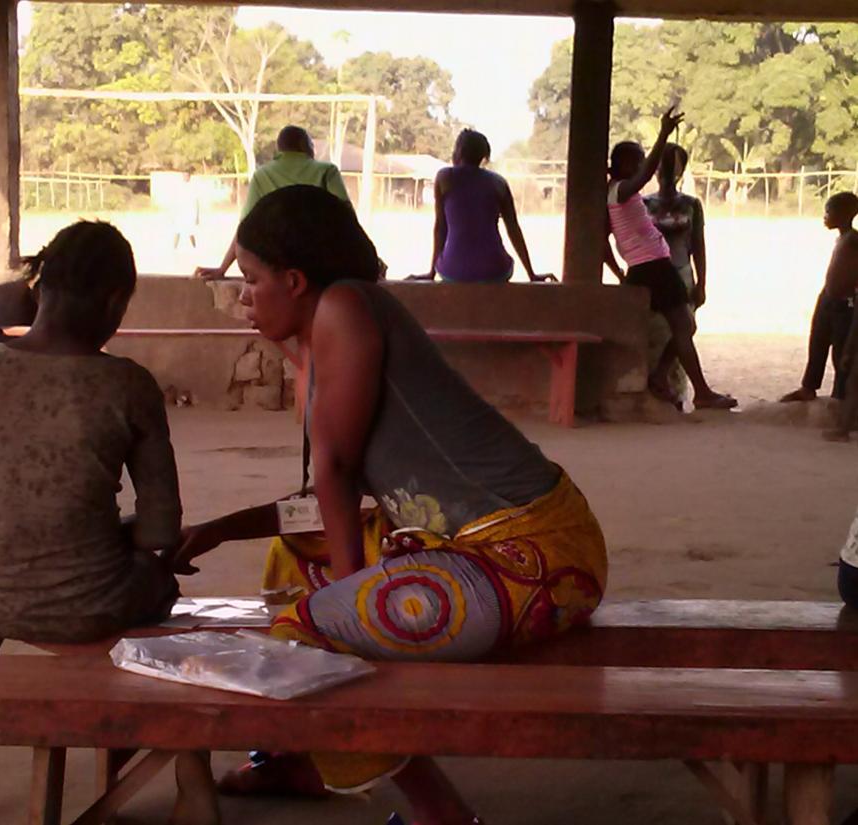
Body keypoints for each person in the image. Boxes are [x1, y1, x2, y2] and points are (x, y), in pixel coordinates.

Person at [172, 185, 608, 825]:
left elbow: (338, 469)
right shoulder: (327, 329)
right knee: (294, 559)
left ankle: (442, 815)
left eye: (251, 280)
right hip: (480, 546)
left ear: (294, 280)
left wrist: (348, 601)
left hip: (532, 554)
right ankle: (304, 757)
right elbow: (323, 499)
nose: (242, 296)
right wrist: (216, 531)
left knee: (312, 630)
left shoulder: (345, 308)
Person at [0, 221, 195, 825]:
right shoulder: (127, 384)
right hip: (99, 603)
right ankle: (192, 779)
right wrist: (100, 536)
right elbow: (162, 532)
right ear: (115, 303)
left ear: (41, 288)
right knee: (166, 584)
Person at [604, 108, 737, 410]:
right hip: (654, 268)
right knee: (683, 325)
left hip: (647, 268)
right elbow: (647, 172)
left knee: (683, 326)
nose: (641, 165)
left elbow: (603, 244)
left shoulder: (618, 194)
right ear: (625, 163)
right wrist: (663, 134)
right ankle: (698, 391)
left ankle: (663, 376)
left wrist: (622, 273)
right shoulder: (621, 191)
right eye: (637, 159)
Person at [195, 125, 349, 281]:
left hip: (277, 264)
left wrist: (223, 268)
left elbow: (245, 227)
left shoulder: (262, 175)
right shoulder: (327, 171)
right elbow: (347, 217)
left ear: (279, 148)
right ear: (305, 145)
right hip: (319, 261)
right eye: (312, 145)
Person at [416, 129, 554, 283]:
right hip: (495, 270)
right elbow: (513, 229)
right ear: (483, 156)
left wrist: (431, 273)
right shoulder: (499, 183)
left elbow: (441, 227)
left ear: (459, 152)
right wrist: (531, 274)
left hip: (453, 271)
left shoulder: (444, 178)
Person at [780, 192, 858, 405]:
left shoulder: (853, 239)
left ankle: (840, 394)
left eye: (829, 211)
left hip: (845, 304)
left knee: (841, 351)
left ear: (845, 214)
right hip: (827, 299)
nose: (825, 216)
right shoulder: (842, 238)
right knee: (817, 342)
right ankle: (809, 386)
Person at [645, 144, 706, 402]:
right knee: (658, 334)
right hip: (653, 274)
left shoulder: (691, 204)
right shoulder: (644, 203)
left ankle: (673, 390)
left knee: (683, 330)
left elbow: (698, 245)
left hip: (681, 274)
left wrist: (701, 281)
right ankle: (657, 384)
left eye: (674, 166)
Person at [174, 171, 200, 250]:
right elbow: (176, 201)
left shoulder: (193, 188)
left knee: (190, 232)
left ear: (189, 177)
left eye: (187, 175)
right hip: (181, 212)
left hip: (190, 213)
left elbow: (196, 202)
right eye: (184, 175)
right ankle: (174, 249)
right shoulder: (179, 187)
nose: (185, 177)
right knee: (177, 231)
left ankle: (194, 247)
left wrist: (197, 216)